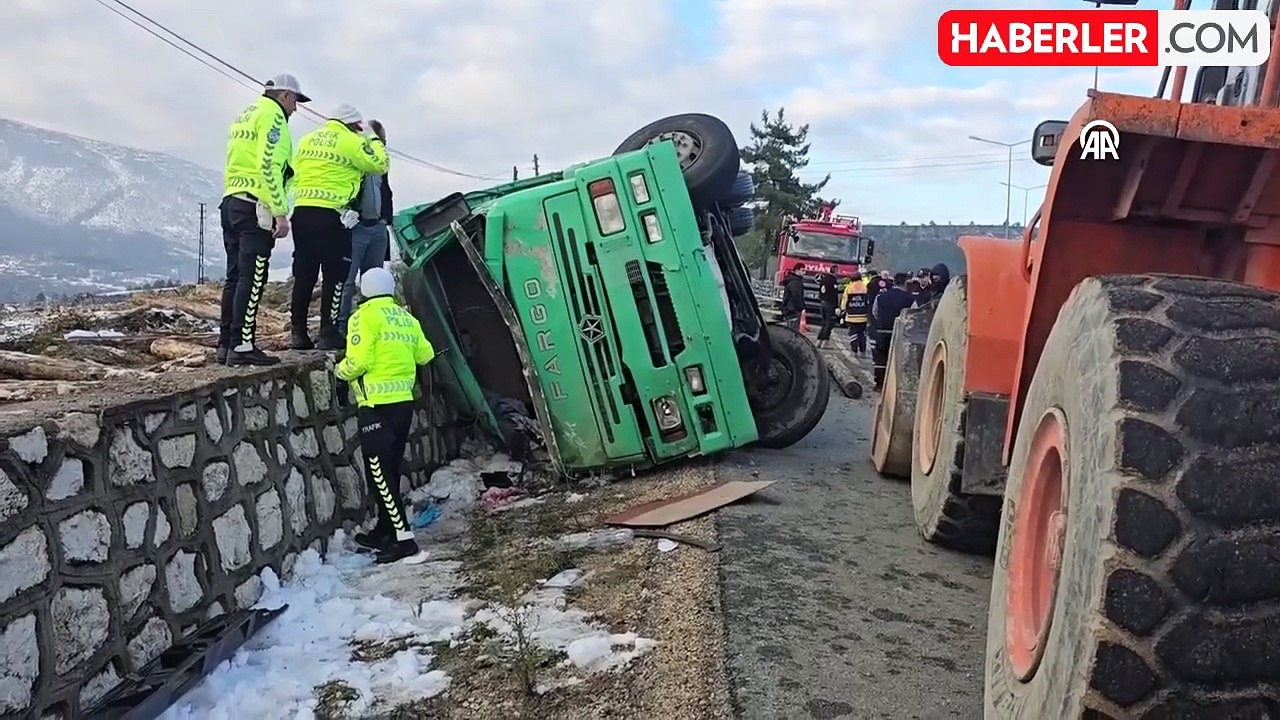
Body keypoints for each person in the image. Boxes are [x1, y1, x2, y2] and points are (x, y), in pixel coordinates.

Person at [335, 267, 435, 565]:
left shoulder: (363, 317)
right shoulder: (405, 318)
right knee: (389, 469)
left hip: (376, 405)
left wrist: (340, 372)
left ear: (364, 290)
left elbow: (358, 361)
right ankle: (384, 529)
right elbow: (425, 355)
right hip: (403, 403)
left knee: (379, 474)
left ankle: (404, 540)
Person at [218, 73, 311, 366]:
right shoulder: (274, 119)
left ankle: (225, 344)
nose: (295, 108)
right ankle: (242, 345)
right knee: (253, 277)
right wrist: (280, 212)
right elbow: (269, 165)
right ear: (285, 96)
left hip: (232, 201)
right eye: (295, 101)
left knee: (234, 277)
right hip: (255, 207)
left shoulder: (246, 115)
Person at [290, 104, 390, 351]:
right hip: (332, 215)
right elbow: (380, 164)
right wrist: (373, 138)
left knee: (304, 276)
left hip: (302, 212)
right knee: (336, 276)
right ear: (354, 125)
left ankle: (298, 333)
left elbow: (291, 172)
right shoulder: (349, 141)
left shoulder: (307, 140)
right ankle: (329, 332)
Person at [338, 119, 394, 338]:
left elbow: (385, 191)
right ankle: (341, 326)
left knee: (374, 280)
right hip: (356, 228)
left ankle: (371, 325)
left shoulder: (381, 167)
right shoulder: (354, 159)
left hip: (378, 227)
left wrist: (386, 219)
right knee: (347, 280)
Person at [870, 273, 914, 391]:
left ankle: (879, 384)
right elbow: (912, 316)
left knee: (880, 359)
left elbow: (875, 312)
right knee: (897, 358)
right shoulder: (910, 299)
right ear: (905, 283)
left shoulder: (881, 296)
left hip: (881, 331)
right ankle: (893, 386)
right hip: (899, 333)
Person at [842, 273, 869, 355]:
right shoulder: (865, 287)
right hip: (863, 315)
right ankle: (863, 350)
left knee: (853, 333)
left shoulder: (849, 288)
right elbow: (868, 301)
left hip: (851, 315)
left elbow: (845, 300)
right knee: (862, 334)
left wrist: (843, 310)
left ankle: (854, 350)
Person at [815, 264, 841, 347]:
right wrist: (836, 306)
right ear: (835, 271)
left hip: (822, 303)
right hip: (830, 304)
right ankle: (825, 342)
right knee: (829, 323)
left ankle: (819, 341)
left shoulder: (824, 279)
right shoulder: (833, 280)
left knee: (823, 323)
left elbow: (820, 291)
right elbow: (834, 294)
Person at [780, 263, 807, 329]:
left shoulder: (792, 280)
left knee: (789, 327)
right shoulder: (796, 282)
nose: (804, 273)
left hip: (789, 309)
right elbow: (797, 296)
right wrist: (801, 307)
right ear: (797, 270)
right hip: (793, 310)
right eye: (802, 270)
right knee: (793, 329)